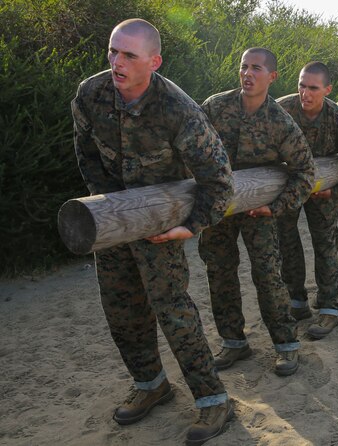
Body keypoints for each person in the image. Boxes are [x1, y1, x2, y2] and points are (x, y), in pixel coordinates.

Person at [71, 19, 235, 445]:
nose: (116, 62)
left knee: (173, 311)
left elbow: (219, 182)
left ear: (154, 61)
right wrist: (109, 208)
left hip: (162, 224)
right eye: (112, 51)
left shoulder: (178, 110)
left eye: (129, 55)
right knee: (121, 309)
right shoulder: (91, 94)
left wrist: (190, 226)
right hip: (113, 221)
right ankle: (151, 385)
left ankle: (213, 399)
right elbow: (85, 153)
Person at [199, 48, 315, 376]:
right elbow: (191, 151)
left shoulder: (280, 122)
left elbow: (305, 172)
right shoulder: (215, 107)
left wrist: (276, 207)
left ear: (272, 77)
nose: (248, 74)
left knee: (267, 275)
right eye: (244, 67)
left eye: (257, 68)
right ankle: (234, 342)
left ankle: (286, 344)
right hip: (219, 209)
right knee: (219, 272)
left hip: (258, 211)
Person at [277, 62, 338, 339]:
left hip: (322, 190)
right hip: (290, 187)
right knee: (287, 242)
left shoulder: (337, 117)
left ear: (327, 90)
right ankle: (297, 301)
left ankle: (329, 308)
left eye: (313, 88)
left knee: (325, 244)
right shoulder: (282, 109)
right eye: (301, 85)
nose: (305, 93)